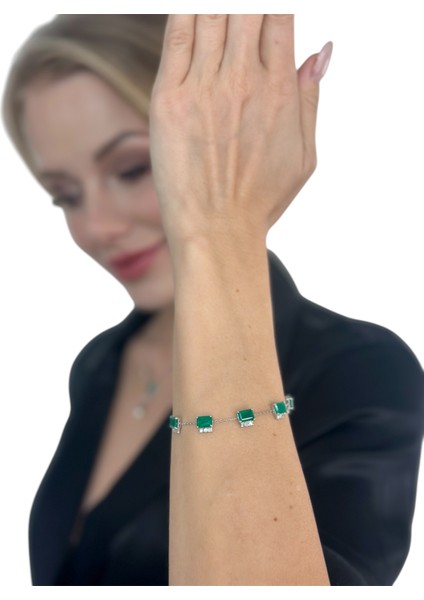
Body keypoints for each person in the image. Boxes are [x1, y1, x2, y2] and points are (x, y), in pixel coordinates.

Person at [2, 14, 423, 586]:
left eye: (132, 168)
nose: (97, 226)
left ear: (229, 139)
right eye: (65, 196)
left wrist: (221, 230)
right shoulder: (99, 363)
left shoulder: (361, 369)